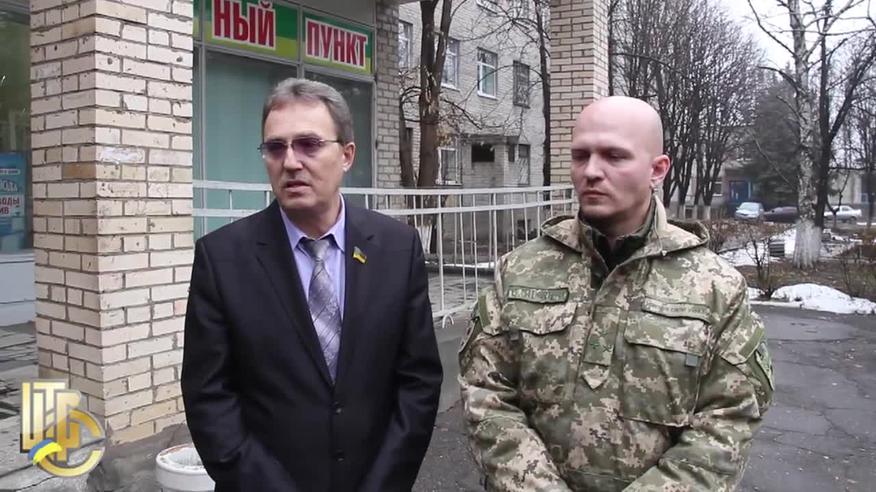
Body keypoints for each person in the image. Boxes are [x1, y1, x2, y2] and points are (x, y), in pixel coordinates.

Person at [458, 96, 774, 491]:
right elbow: (486, 394)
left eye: (614, 156)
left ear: (657, 169)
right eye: (580, 156)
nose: (591, 171)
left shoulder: (715, 286)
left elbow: (728, 419)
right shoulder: (520, 270)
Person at [182, 78, 443, 492]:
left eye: (309, 144)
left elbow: (418, 382)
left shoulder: (397, 248)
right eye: (276, 147)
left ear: (347, 155)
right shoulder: (222, 259)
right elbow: (209, 398)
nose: (290, 162)